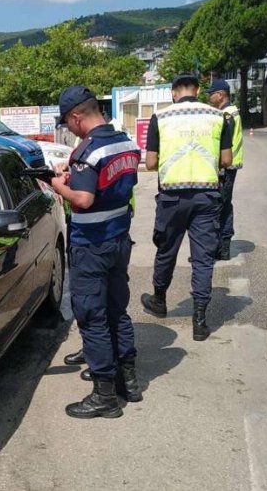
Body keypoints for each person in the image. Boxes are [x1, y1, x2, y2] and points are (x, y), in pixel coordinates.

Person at [50, 85, 142, 419]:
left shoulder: (87, 151)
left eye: (68, 123)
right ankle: (127, 381)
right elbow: (111, 185)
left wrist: (58, 184)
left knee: (92, 315)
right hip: (119, 238)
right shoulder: (126, 142)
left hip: (92, 244)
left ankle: (104, 395)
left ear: (77, 117)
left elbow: (85, 199)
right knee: (118, 309)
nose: (69, 129)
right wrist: (74, 176)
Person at [140, 73, 233, 341]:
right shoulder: (218, 117)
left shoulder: (161, 117)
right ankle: (200, 320)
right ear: (198, 90)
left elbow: (150, 163)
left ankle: (159, 300)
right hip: (206, 195)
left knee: (166, 249)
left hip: (172, 197)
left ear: (173, 93)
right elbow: (226, 159)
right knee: (203, 258)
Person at [206, 78, 243, 261]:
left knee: (218, 206)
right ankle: (224, 247)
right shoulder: (231, 111)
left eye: (211, 94)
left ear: (220, 95)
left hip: (225, 167)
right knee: (225, 205)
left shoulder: (226, 115)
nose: (209, 97)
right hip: (231, 166)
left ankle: (217, 247)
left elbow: (223, 144)